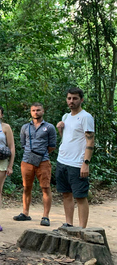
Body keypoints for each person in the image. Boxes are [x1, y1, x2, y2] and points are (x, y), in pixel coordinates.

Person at [56, 87, 94, 228]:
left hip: (77, 163)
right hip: (62, 161)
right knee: (66, 194)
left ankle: (82, 229)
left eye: (75, 98)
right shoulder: (66, 117)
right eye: (69, 98)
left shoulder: (85, 117)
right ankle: (69, 224)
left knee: (80, 197)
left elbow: (90, 141)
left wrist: (86, 163)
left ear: (81, 100)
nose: (71, 101)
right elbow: (67, 139)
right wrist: (60, 131)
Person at [13, 103, 57, 226]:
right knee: (26, 187)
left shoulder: (49, 127)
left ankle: (45, 216)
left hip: (43, 161)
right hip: (27, 160)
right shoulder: (25, 127)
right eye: (33, 110)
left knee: (45, 188)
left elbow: (52, 146)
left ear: (43, 111)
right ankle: (25, 213)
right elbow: (23, 144)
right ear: (30, 112)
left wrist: (40, 154)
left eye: (38, 110)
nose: (36, 112)